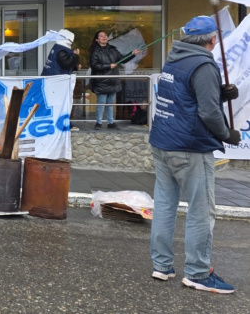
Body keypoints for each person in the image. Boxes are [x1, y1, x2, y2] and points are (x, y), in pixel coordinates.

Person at [148, 16, 240, 294]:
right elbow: (208, 113)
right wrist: (227, 135)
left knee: (165, 204)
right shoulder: (203, 64)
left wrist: (219, 94)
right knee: (201, 210)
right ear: (212, 40)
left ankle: (162, 266)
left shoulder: (174, 58)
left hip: (162, 142)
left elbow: (185, 97)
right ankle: (198, 273)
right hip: (189, 147)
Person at [88, 31, 140, 129]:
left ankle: (110, 122)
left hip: (113, 80)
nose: (104, 37)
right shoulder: (95, 51)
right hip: (101, 81)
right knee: (101, 103)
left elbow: (122, 59)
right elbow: (94, 65)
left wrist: (132, 54)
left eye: (105, 35)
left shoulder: (112, 49)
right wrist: (109, 66)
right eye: (101, 36)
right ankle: (98, 123)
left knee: (110, 103)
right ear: (97, 39)